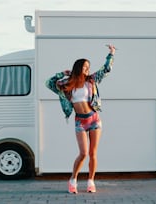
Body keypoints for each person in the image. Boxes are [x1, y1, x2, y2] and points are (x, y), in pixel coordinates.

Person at [45, 45, 116, 194]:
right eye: (84, 67)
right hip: (80, 122)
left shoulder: (91, 81)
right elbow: (49, 83)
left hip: (94, 119)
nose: (87, 69)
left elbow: (106, 70)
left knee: (93, 153)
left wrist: (111, 54)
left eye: (88, 67)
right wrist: (62, 73)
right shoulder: (67, 84)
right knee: (83, 153)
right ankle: (73, 179)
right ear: (78, 68)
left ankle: (91, 181)